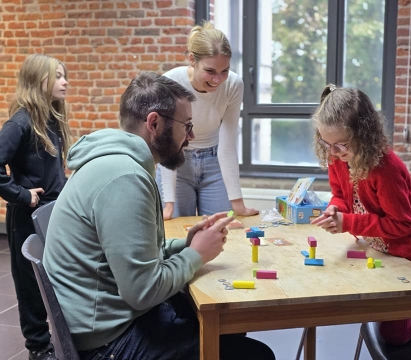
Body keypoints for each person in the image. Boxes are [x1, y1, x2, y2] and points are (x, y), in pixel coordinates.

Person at [43, 72, 275, 360]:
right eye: (187, 126)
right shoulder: (124, 177)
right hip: (108, 343)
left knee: (230, 328)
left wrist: (187, 245)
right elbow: (143, 290)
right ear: (154, 123)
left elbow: (131, 258)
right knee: (255, 355)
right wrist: (196, 256)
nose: (190, 136)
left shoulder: (121, 164)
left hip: (106, 321)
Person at [310, 84, 411, 345]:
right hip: (380, 248)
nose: (333, 153)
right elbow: (340, 195)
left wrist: (347, 222)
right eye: (327, 143)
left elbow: (401, 225)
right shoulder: (338, 158)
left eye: (341, 145)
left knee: (394, 336)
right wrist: (334, 208)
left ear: (364, 136)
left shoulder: (385, 169)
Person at [0, 54, 72, 360]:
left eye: (63, 75)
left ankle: (62, 343)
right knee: (30, 288)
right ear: (38, 81)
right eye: (57, 76)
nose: (64, 81)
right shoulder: (19, 123)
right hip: (27, 218)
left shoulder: (51, 119)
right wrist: (20, 194)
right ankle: (39, 349)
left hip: (54, 216)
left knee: (58, 280)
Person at [156, 21, 258, 219]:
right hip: (176, 161)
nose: (217, 80)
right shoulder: (170, 83)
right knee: (177, 234)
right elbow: (167, 144)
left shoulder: (234, 85)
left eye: (224, 71)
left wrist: (238, 203)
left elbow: (228, 142)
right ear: (192, 60)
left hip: (215, 164)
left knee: (219, 232)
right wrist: (169, 204)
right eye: (210, 71)